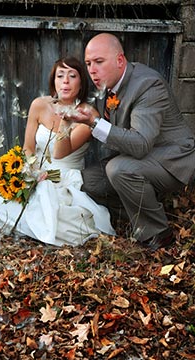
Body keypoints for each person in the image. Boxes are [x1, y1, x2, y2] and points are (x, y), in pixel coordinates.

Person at [66, 33, 195, 251]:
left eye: (99, 62)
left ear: (119, 60)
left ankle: (159, 234)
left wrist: (95, 123)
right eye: (88, 64)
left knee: (118, 169)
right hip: (143, 159)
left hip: (172, 159)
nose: (92, 70)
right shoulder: (110, 84)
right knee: (90, 181)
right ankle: (143, 217)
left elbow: (141, 143)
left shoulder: (147, 85)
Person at [0, 57, 115, 247]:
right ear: (53, 81)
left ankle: (28, 225)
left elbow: (59, 154)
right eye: (60, 75)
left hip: (62, 176)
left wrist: (66, 121)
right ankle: (25, 223)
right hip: (35, 168)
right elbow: (28, 147)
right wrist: (30, 169)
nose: (65, 81)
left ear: (81, 83)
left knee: (52, 210)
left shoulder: (88, 115)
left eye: (72, 76)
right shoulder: (39, 104)